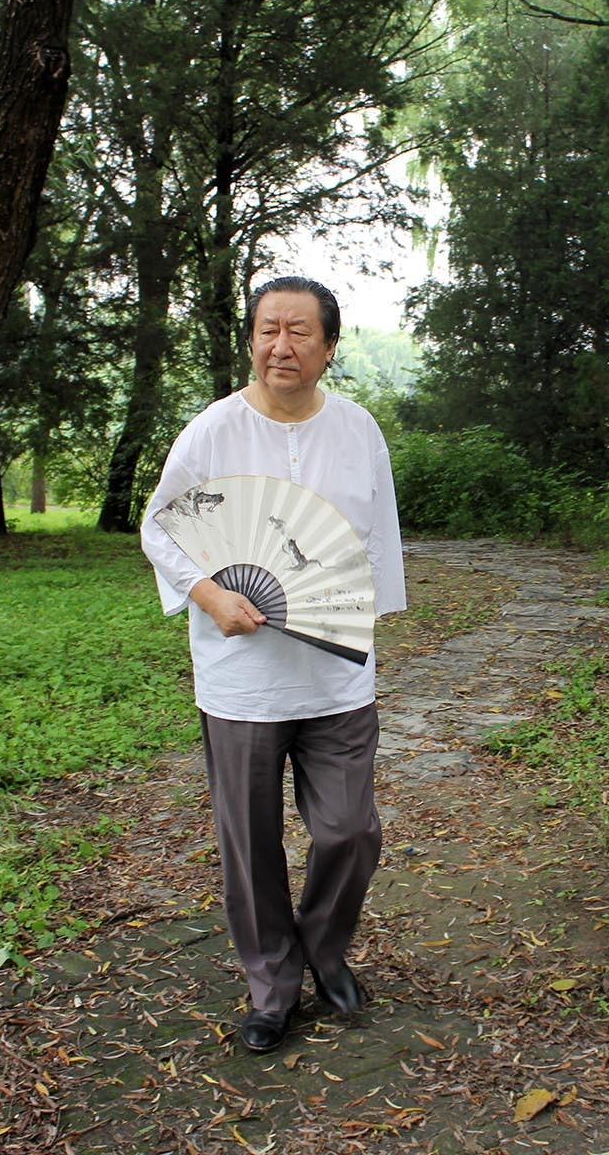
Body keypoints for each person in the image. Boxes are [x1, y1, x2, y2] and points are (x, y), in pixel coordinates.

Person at [140, 276, 405, 1054]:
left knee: (349, 831)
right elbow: (161, 529)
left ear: (328, 345)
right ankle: (271, 984)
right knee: (249, 846)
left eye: (298, 332)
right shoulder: (213, 431)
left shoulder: (358, 430)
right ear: (251, 340)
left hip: (336, 676)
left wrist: (363, 623)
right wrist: (208, 592)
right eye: (266, 330)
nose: (279, 346)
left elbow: (377, 531)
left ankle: (324, 949)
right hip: (242, 677)